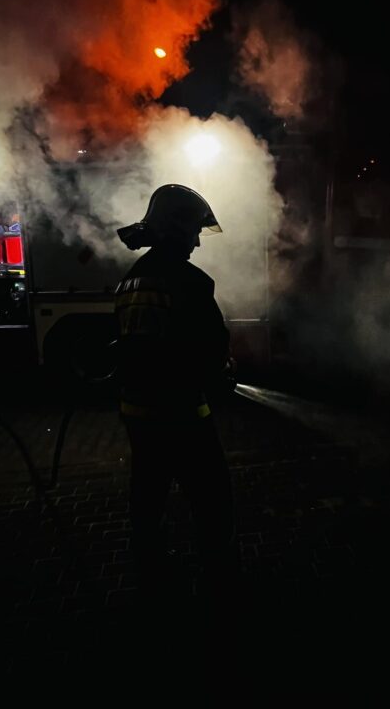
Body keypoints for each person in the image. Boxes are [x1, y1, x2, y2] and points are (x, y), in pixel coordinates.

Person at [115, 184, 237, 601]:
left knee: (147, 498)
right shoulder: (191, 281)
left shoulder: (131, 280)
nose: (199, 240)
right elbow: (210, 348)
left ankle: (152, 577)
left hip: (137, 413)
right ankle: (220, 582)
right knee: (213, 498)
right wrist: (220, 376)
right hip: (182, 414)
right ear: (176, 230)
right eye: (195, 231)